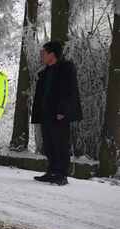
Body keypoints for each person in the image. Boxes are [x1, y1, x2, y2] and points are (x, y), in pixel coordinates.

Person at [31, 41, 83, 186]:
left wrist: (62, 111)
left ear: (52, 54)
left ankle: (61, 174)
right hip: (46, 114)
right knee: (48, 144)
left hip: (59, 114)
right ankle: (52, 171)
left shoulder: (66, 68)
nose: (42, 55)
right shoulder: (45, 71)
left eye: (44, 52)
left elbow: (69, 91)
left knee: (60, 144)